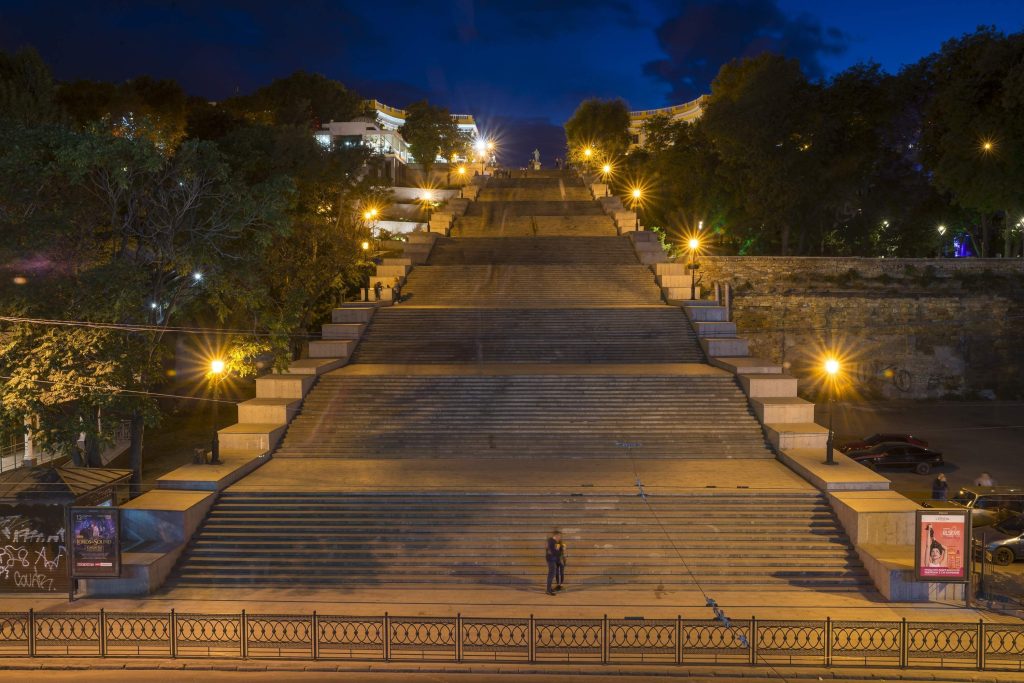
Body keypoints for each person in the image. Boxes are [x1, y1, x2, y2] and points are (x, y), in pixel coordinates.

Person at [545, 530, 563, 595]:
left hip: (552, 559)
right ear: (556, 535)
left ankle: (549, 588)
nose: (560, 537)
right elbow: (553, 551)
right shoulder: (552, 541)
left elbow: (552, 550)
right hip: (551, 559)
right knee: (551, 574)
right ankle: (548, 590)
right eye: (559, 536)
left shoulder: (551, 541)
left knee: (551, 574)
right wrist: (560, 551)